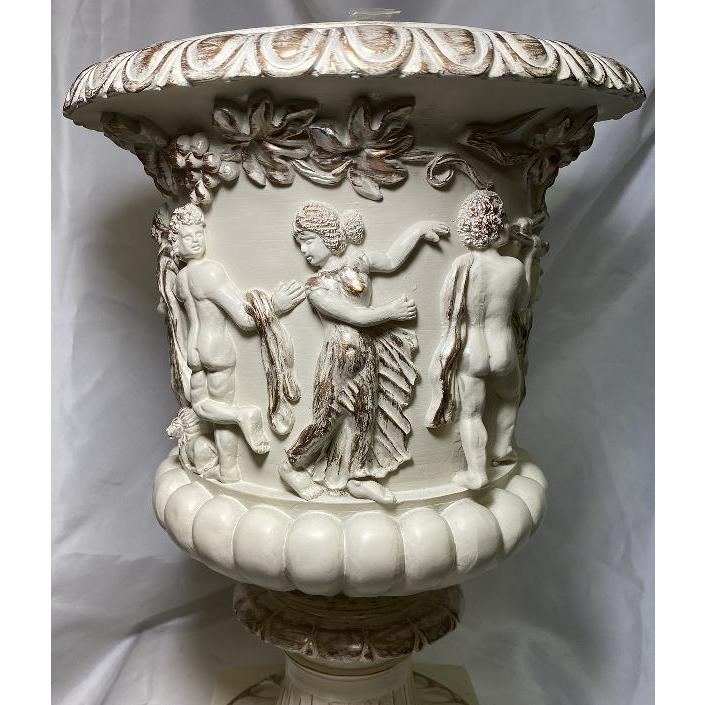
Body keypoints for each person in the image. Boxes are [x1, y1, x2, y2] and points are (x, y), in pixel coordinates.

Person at [280, 200, 448, 503]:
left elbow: (393, 259)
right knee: (329, 418)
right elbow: (355, 316)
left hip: (365, 353)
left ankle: (357, 476)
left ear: (327, 234)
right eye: (299, 243)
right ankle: (291, 465)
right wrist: (391, 311)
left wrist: (419, 230)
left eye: (307, 240)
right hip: (338, 360)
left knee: (363, 415)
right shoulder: (315, 286)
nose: (303, 250)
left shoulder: (359, 260)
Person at [169, 203, 305, 481]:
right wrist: (273, 306)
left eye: (199, 234)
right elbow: (244, 318)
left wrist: (274, 306)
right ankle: (239, 424)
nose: (195, 240)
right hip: (211, 351)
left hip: (203, 351)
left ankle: (229, 467)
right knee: (210, 410)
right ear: (176, 243)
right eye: (187, 236)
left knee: (207, 408)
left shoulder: (187, 278)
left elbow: (240, 317)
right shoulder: (196, 275)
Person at [425, 190, 540, 490]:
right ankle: (503, 447)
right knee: (510, 397)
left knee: (471, 414)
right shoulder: (513, 267)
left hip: (472, 349)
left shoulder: (464, 264)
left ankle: (477, 473)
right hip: (503, 348)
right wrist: (527, 254)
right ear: (499, 228)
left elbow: (448, 308)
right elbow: (522, 305)